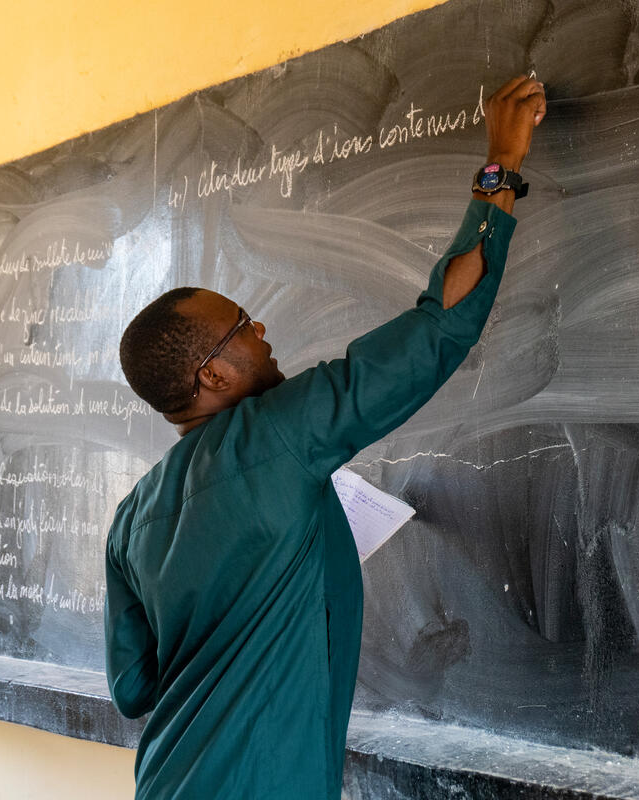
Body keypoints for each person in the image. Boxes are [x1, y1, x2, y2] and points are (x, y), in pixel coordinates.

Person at [105, 75, 546, 799]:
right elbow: (438, 328)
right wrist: (500, 168)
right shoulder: (276, 436)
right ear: (213, 375)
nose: (263, 331)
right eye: (245, 327)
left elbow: (134, 688)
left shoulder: (130, 521)